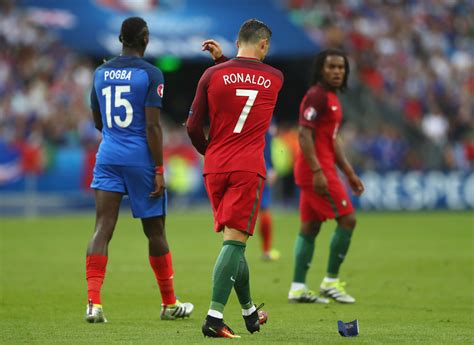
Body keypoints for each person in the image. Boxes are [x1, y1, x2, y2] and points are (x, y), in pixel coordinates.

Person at [85, 16, 193, 323]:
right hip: (140, 159)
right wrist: (159, 168)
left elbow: (97, 121)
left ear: (120, 38)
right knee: (155, 231)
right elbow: (152, 126)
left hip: (108, 154)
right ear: (146, 39)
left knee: (102, 228)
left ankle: (94, 304)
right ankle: (169, 304)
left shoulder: (101, 72)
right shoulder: (151, 74)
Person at [187, 19, 284, 338]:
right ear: (264, 45)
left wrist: (210, 152)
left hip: (214, 167)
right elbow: (249, 84)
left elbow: (192, 126)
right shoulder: (276, 77)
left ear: (237, 39)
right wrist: (225, 61)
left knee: (233, 244)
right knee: (234, 243)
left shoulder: (212, 74)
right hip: (247, 167)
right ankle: (214, 318)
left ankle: (250, 312)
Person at [288, 49, 365, 304]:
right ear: (321, 69)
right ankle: (331, 282)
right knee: (348, 219)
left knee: (310, 227)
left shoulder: (331, 97)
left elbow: (332, 140)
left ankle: (298, 288)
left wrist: (350, 173)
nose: (336, 72)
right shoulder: (316, 96)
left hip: (320, 169)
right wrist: (319, 171)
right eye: (331, 67)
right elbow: (304, 134)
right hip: (316, 171)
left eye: (341, 68)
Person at [200, 40, 280, 262]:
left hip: (223, 161)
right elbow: (266, 136)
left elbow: (233, 91)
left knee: (231, 225)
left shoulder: (232, 96)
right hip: (251, 165)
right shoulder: (264, 100)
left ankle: (247, 253)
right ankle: (264, 250)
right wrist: (271, 165)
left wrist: (220, 62)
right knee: (259, 213)